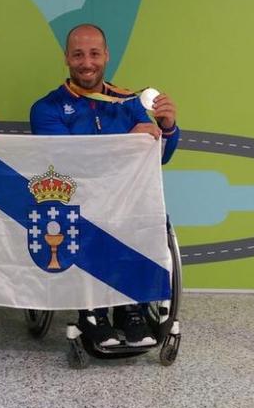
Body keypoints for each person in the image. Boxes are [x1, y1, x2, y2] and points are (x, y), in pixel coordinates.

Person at [30, 24, 178, 348]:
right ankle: (93, 311)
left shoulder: (128, 101)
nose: (87, 63)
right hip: (77, 200)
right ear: (67, 58)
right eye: (78, 54)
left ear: (106, 56)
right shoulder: (47, 108)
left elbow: (159, 157)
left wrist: (166, 128)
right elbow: (70, 159)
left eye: (95, 54)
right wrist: (129, 140)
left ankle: (132, 310)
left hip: (127, 201)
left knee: (145, 216)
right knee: (93, 217)